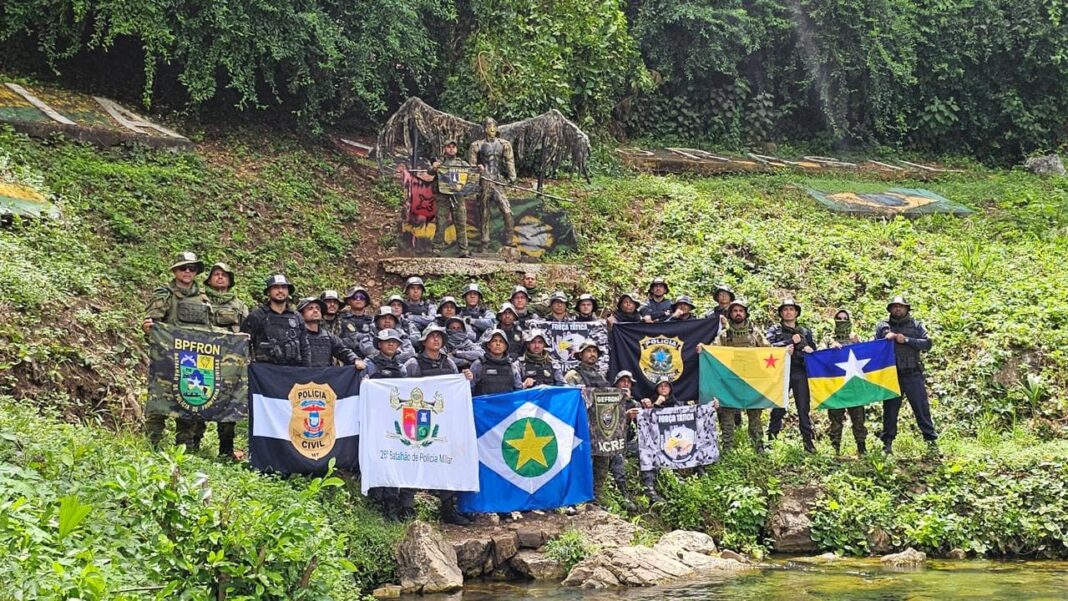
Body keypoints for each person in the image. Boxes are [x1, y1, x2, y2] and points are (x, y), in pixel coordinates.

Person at [403, 325, 475, 525]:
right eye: (431, 337)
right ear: (424, 341)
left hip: (443, 422)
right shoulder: (412, 363)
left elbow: (457, 390)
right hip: (417, 421)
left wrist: (465, 378)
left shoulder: (449, 363)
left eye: (439, 337)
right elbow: (400, 387)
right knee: (413, 460)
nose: (436, 340)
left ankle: (447, 509)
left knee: (444, 461)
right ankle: (407, 507)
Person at [143, 251, 215, 450]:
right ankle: (151, 445)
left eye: (192, 268)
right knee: (159, 402)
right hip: (167, 358)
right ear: (175, 270)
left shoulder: (204, 299)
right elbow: (152, 325)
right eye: (183, 268)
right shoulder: (164, 294)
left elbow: (210, 330)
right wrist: (149, 329)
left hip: (194, 361)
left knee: (190, 401)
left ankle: (186, 449)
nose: (187, 271)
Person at [875, 296, 938, 456]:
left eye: (901, 306)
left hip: (912, 374)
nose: (898, 309)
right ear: (890, 309)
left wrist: (907, 340)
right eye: (895, 306)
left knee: (921, 408)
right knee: (890, 410)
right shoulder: (884, 325)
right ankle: (887, 444)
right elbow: (876, 343)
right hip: (892, 375)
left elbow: (927, 344)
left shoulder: (916, 325)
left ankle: (931, 442)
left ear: (906, 309)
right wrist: (887, 335)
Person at [363, 328, 414, 521]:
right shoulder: (369, 365)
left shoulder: (402, 368)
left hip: (396, 422)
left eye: (394, 341)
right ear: (379, 344)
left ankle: (393, 504)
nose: (391, 344)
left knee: (394, 461)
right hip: (374, 420)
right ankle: (377, 503)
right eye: (387, 341)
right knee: (376, 460)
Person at [708, 298, 769, 453]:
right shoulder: (724, 335)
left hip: (752, 381)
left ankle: (758, 446)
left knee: (754, 414)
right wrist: (703, 350)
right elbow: (714, 352)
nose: (738, 313)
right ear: (730, 314)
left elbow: (769, 351)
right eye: (735, 311)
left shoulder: (755, 334)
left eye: (741, 311)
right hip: (730, 382)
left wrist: (784, 353)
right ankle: (727, 446)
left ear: (745, 313)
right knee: (727, 414)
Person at [201, 261, 249, 459]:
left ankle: (226, 450)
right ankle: (192, 445)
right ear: (210, 279)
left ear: (230, 280)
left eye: (224, 275)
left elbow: (248, 332)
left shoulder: (239, 306)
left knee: (229, 406)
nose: (220, 277)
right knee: (198, 399)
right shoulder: (199, 300)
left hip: (231, 365)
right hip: (203, 361)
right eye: (216, 274)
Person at [765, 298, 817, 453]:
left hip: (800, 372)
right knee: (778, 405)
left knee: (803, 408)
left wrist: (808, 348)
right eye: (785, 309)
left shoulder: (805, 331)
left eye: (791, 309)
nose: (788, 312)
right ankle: (771, 439)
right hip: (781, 372)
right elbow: (767, 347)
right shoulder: (775, 330)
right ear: (781, 313)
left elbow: (813, 349)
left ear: (796, 312)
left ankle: (808, 443)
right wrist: (789, 342)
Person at [564, 340, 612, 507]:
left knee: (601, 463)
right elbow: (567, 401)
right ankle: (574, 500)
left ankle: (595, 499)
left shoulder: (600, 376)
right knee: (580, 462)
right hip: (580, 426)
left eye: (594, 351)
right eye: (588, 351)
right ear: (581, 354)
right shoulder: (572, 375)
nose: (592, 354)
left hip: (600, 428)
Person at [469, 117, 517, 252]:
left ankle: (510, 240)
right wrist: (477, 169)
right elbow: (471, 166)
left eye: (494, 126)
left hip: (497, 180)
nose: (492, 129)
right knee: (484, 212)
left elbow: (509, 161)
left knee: (506, 209)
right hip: (484, 180)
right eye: (489, 126)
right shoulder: (476, 145)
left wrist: (512, 177)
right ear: (484, 129)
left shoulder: (504, 144)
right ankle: (484, 242)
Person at [242, 274, 309, 366]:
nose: (280, 291)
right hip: (265, 372)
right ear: (268, 291)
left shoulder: (297, 317)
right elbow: (243, 343)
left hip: (293, 370)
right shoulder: (257, 315)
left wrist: (307, 371)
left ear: (288, 291)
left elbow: (305, 347)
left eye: (284, 287)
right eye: (276, 287)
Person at [826, 309, 867, 456]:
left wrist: (858, 342)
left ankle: (862, 448)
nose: (842, 321)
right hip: (836, 385)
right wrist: (830, 348)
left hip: (854, 385)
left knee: (859, 419)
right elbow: (818, 356)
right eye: (839, 318)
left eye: (845, 318)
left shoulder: (855, 337)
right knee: (835, 419)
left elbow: (867, 356)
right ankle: (835, 448)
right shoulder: (828, 339)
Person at [428, 140, 471, 257]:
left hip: (458, 195)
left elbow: (473, 172)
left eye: (453, 147)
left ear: (456, 149)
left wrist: (480, 168)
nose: (451, 149)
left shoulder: (462, 163)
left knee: (461, 221)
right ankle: (437, 248)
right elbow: (430, 172)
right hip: (442, 196)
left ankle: (463, 250)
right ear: (444, 149)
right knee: (441, 222)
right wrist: (434, 167)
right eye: (449, 147)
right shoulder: (440, 163)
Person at [298, 297, 365, 369]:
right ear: (301, 314)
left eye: (317, 308)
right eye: (310, 308)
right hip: (302, 377)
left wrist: (356, 359)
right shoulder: (296, 336)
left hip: (324, 377)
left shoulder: (329, 336)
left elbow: (342, 351)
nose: (315, 310)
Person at [610, 371, 640, 511]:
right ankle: (623, 494)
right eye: (623, 381)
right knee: (618, 458)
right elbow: (608, 426)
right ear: (616, 384)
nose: (625, 384)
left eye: (628, 382)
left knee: (647, 449)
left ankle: (650, 487)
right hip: (613, 443)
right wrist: (625, 416)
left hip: (629, 442)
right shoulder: (608, 401)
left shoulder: (634, 403)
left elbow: (645, 426)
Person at [469, 329, 522, 395]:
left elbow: (518, 390)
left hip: (506, 404)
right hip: (484, 404)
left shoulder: (512, 366)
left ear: (505, 346)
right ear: (488, 345)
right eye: (494, 341)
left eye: (501, 341)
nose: (498, 344)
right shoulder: (478, 365)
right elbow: (469, 389)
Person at [340, 286, 374, 353]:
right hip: (345, 357)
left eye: (362, 297)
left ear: (366, 301)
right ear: (349, 301)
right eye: (355, 297)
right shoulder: (340, 319)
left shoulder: (372, 320)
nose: (358, 299)